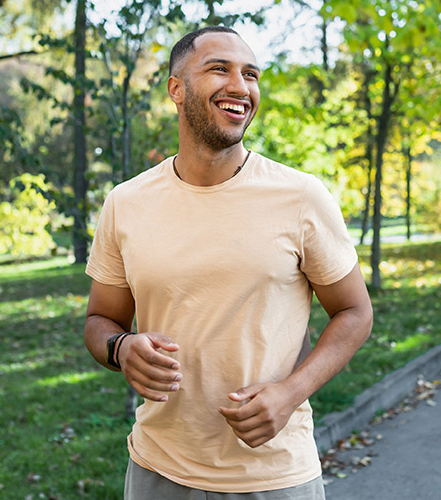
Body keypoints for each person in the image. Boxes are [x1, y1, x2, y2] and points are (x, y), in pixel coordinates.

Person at [84, 25, 373, 500]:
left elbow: (355, 313)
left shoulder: (300, 196)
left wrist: (290, 392)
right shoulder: (126, 202)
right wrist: (120, 348)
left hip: (275, 476)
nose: (241, 86)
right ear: (176, 89)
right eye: (220, 69)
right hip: (157, 471)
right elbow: (101, 319)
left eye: (251, 74)